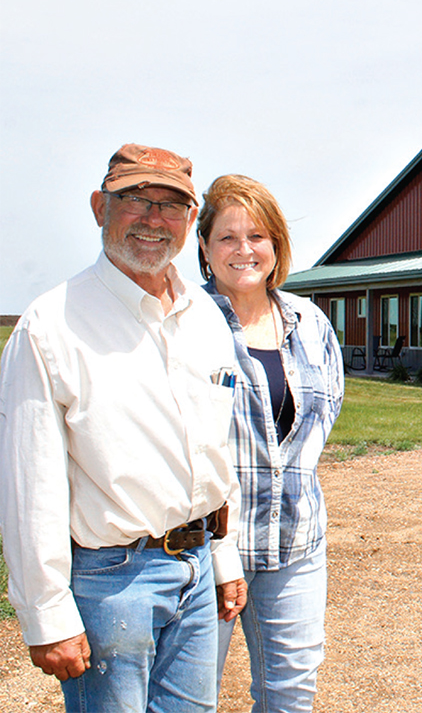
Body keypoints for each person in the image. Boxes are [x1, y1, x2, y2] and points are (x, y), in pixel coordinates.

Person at [0, 144, 248, 711]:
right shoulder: (51, 326)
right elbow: (28, 484)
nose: (153, 219)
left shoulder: (206, 317)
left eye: (171, 206)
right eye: (136, 200)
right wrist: (46, 614)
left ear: (190, 221)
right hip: (111, 581)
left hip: (199, 562)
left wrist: (224, 557)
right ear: (99, 207)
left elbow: (216, 450)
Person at [197, 174, 344, 711]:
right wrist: (217, 548)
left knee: (291, 693)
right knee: (191, 697)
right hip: (207, 553)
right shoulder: (185, 323)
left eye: (257, 236)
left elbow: (324, 413)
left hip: (295, 544)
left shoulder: (310, 322)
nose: (243, 250)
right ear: (205, 248)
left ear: (276, 246)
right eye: (227, 238)